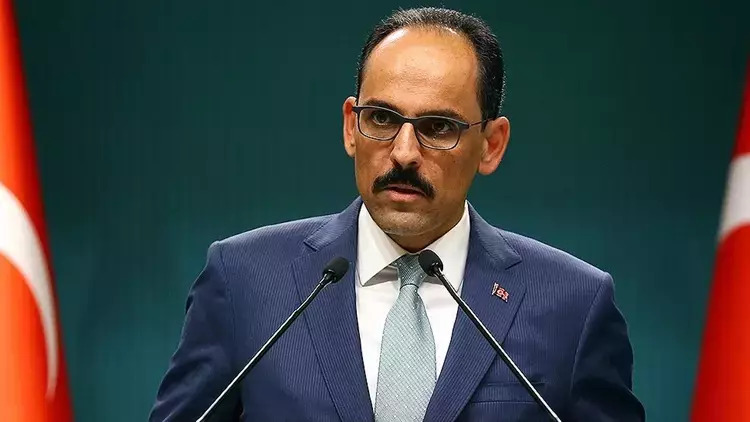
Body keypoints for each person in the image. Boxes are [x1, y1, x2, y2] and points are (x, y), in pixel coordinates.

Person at [150, 7, 645, 421]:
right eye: (382, 118)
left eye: (438, 126)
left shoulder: (573, 305)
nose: (404, 152)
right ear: (351, 127)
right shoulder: (245, 280)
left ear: (491, 145)